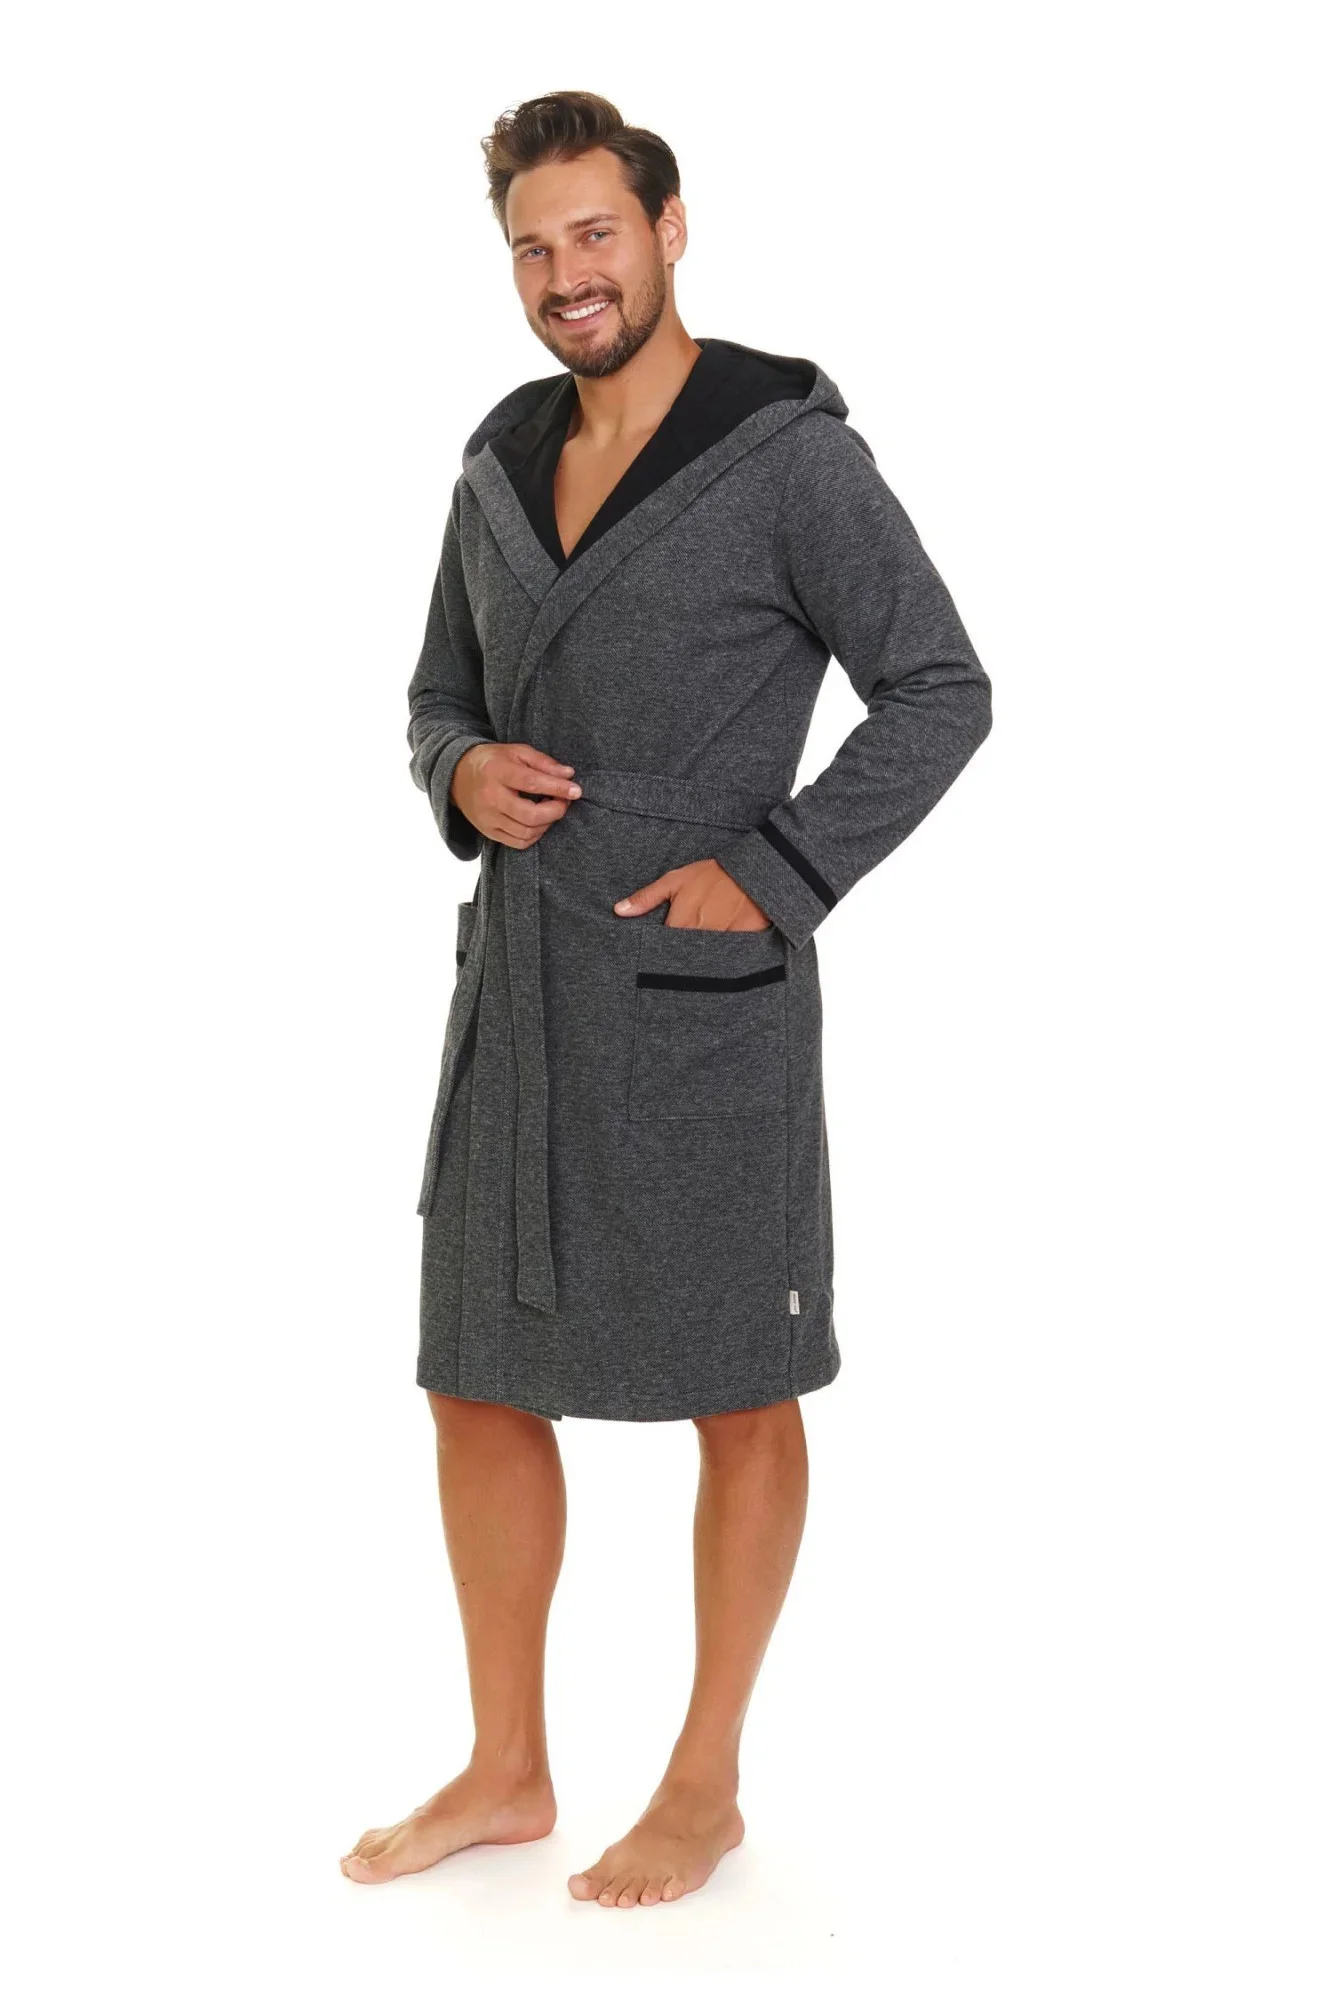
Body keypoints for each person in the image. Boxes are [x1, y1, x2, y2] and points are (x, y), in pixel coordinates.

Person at [341, 89, 991, 1908]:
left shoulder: (786, 457)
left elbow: (943, 688)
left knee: (740, 1392)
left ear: (669, 228)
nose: (568, 276)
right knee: (476, 1382)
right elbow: (434, 694)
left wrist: (779, 869)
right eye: (533, 249)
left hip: (702, 1003)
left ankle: (704, 1782)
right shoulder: (495, 456)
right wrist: (459, 770)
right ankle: (508, 1764)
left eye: (596, 235)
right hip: (520, 1000)